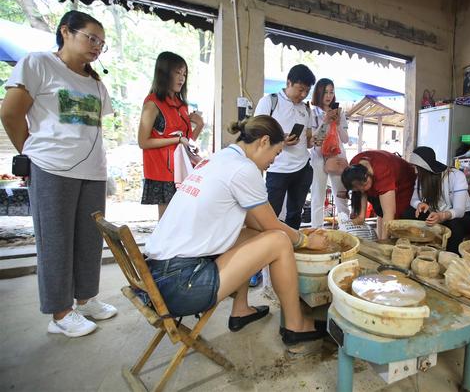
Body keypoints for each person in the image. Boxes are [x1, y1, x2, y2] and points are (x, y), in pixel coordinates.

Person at [143, 115, 329, 345]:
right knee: (279, 241)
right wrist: (304, 240)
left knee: (251, 236)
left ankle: (240, 310)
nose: (274, 160)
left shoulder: (218, 159)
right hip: (182, 286)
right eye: (276, 153)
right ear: (263, 141)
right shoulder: (243, 169)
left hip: (155, 277)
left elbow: (257, 225)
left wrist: (299, 235)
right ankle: (295, 326)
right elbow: (272, 227)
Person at [0, 11, 117, 337]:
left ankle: (85, 299)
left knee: (89, 239)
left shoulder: (95, 81)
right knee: (56, 240)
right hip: (51, 168)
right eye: (91, 38)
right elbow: (10, 113)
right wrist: (33, 153)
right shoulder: (37, 64)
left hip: (92, 171)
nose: (96, 47)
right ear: (66, 31)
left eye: (101, 44)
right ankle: (60, 312)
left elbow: (95, 128)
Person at [138, 52, 204, 219]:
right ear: (164, 72)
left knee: (182, 219)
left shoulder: (181, 105)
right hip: (163, 171)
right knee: (167, 221)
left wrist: (200, 126)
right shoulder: (153, 103)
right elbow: (143, 141)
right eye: (177, 72)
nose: (181, 78)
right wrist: (177, 139)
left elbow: (188, 144)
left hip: (183, 169)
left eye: (184, 74)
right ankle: (162, 246)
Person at [254, 64, 316, 229]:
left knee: (295, 213)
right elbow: (256, 132)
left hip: (302, 167)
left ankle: (292, 247)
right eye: (300, 89)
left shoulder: (306, 109)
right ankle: (268, 247)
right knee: (271, 213)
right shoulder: (270, 101)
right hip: (277, 168)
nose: (303, 95)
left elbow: (308, 139)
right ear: (289, 82)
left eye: (307, 91)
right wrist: (281, 138)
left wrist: (314, 140)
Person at [408, 147, 470, 253]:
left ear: (425, 168)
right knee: (408, 212)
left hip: (464, 217)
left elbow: (459, 210)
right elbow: (413, 200)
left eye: (416, 167)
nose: (414, 171)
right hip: (436, 213)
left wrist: (442, 216)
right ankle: (417, 250)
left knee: (454, 225)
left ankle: (449, 259)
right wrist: (419, 204)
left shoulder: (456, 176)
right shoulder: (421, 177)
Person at [341, 150, 416, 239]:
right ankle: (381, 237)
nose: (362, 190)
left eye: (364, 185)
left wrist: (384, 242)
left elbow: (389, 212)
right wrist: (361, 216)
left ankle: (389, 239)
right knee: (379, 210)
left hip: (404, 184)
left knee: (396, 216)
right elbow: (362, 192)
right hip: (385, 173)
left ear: (367, 175)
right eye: (357, 189)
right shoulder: (354, 166)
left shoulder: (383, 172)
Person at [309, 78, 349, 228]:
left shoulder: (340, 113)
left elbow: (344, 139)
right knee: (317, 197)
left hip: (338, 157)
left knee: (341, 196)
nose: (329, 96)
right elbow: (315, 141)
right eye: (325, 92)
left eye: (331, 92)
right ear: (318, 93)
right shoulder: (312, 114)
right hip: (318, 158)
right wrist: (325, 121)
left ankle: (347, 230)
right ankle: (316, 232)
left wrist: (338, 124)